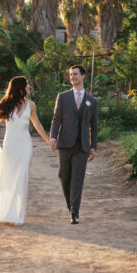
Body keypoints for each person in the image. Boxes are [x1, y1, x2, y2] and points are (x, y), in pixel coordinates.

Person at [0, 76, 54, 226]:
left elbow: (37, 125)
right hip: (10, 146)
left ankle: (20, 215)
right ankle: (8, 211)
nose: (29, 87)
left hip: (25, 145)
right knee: (9, 177)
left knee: (22, 177)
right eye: (27, 85)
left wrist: (48, 141)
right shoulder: (5, 104)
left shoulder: (31, 105)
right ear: (20, 88)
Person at [49, 64, 98, 224]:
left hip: (82, 146)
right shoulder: (62, 97)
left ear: (83, 76)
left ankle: (74, 212)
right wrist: (53, 137)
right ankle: (71, 206)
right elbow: (56, 119)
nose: (72, 77)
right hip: (64, 144)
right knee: (64, 177)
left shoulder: (92, 101)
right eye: (70, 75)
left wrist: (93, 147)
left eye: (75, 74)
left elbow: (94, 126)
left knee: (78, 179)